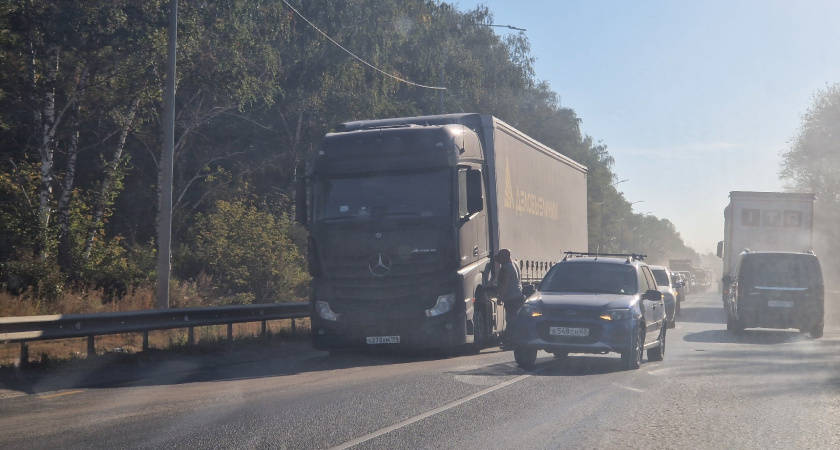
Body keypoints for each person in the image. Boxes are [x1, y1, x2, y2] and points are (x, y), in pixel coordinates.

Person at [496, 248, 525, 347]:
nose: (498, 259)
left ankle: (511, 342)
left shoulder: (505, 268)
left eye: (500, 256)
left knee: (511, 320)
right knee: (515, 320)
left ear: (504, 257)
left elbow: (505, 284)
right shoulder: (514, 264)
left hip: (511, 298)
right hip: (519, 296)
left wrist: (500, 298)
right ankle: (513, 340)